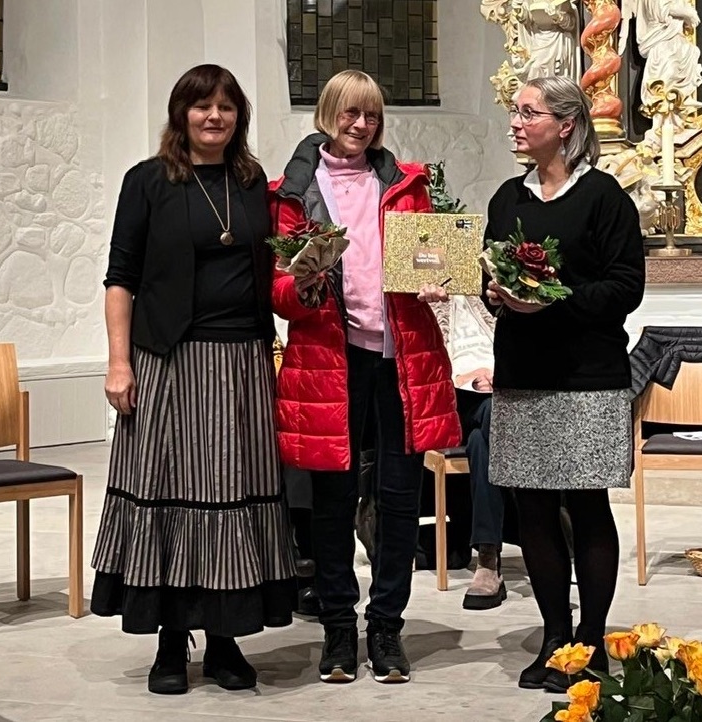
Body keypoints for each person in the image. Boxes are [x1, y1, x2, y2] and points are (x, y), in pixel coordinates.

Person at [90, 64, 296, 696]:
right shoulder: (148, 181)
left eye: (226, 107)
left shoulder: (252, 182)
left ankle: (226, 640)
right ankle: (171, 641)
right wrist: (119, 362)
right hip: (168, 360)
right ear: (181, 114)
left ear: (239, 117)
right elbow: (121, 277)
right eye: (202, 106)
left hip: (242, 362)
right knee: (172, 496)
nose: (214, 117)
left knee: (231, 496)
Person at [270, 69, 461, 685]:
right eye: (350, 113)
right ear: (327, 114)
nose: (361, 125)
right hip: (331, 358)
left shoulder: (407, 183)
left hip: (401, 356)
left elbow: (430, 260)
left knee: (400, 498)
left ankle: (386, 628)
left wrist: (436, 282)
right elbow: (278, 291)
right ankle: (336, 629)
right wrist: (302, 285)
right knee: (333, 500)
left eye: (371, 115)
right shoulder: (292, 192)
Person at [485, 76, 645, 693]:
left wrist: (552, 300)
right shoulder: (507, 198)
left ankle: (591, 641)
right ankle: (555, 637)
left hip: (587, 378)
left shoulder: (604, 197)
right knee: (532, 509)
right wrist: (497, 294)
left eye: (529, 112)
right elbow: (492, 278)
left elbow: (625, 287)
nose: (516, 122)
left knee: (586, 505)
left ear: (567, 125)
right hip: (522, 374)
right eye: (515, 111)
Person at [444, 296, 511, 611]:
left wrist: (503, 375)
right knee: (493, 418)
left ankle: (487, 557)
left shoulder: (496, 294)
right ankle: (535, 537)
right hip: (451, 400)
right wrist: (461, 380)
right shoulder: (423, 295)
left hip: (502, 395)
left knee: (480, 443)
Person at [620, 0, 702, 113]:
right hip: (663, 40)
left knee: (692, 52)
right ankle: (666, 108)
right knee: (666, 80)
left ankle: (680, 101)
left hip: (676, 39)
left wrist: (688, 14)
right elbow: (661, 10)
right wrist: (687, 13)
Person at [514, 0, 580, 83]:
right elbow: (527, 19)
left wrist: (558, 17)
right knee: (535, 66)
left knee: (546, 68)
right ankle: (539, 89)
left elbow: (571, 24)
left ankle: (551, 89)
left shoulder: (566, 5)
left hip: (558, 39)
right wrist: (520, 12)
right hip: (539, 38)